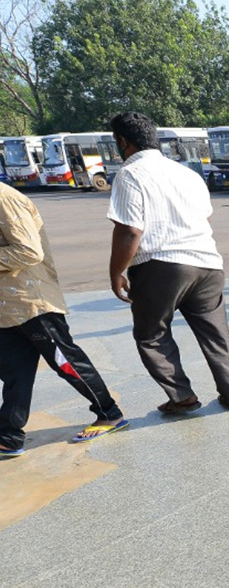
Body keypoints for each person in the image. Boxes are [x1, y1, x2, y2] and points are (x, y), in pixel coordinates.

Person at [107, 111, 229, 414]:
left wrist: (117, 271)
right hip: (208, 263)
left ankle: (182, 396)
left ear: (123, 142)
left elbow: (130, 229)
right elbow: (204, 214)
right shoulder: (187, 173)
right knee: (216, 333)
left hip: (161, 265)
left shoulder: (129, 174)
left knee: (151, 334)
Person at [1, 182, 127, 456]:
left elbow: (29, 250)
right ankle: (9, 436)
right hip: (7, 307)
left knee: (66, 362)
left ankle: (109, 413)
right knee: (15, 372)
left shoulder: (4, 197)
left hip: (31, 300)